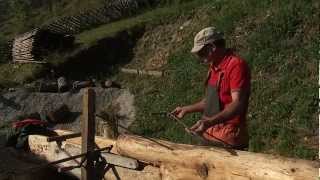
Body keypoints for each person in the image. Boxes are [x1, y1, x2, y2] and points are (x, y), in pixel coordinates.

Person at [172, 27, 251, 150]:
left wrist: (209, 122)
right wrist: (186, 109)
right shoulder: (214, 67)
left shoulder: (236, 65)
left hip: (227, 138)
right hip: (209, 133)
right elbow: (210, 101)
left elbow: (237, 104)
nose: (199, 57)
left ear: (212, 47)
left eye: (201, 52)